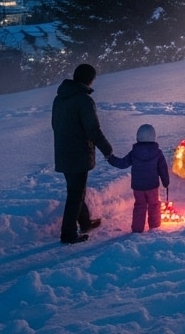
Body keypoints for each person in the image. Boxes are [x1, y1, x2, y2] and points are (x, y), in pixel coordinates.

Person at [52, 62, 115, 244]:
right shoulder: (83, 100)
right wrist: (108, 150)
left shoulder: (60, 98)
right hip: (77, 153)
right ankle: (68, 233)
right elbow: (93, 130)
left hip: (63, 151)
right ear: (89, 80)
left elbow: (55, 124)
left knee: (75, 190)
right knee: (75, 194)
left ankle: (85, 222)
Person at [108, 123, 171, 233]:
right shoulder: (157, 152)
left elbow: (122, 163)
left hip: (138, 187)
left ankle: (137, 229)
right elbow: (163, 168)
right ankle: (154, 227)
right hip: (152, 186)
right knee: (154, 204)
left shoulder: (134, 153)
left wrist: (111, 159)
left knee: (139, 206)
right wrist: (166, 182)